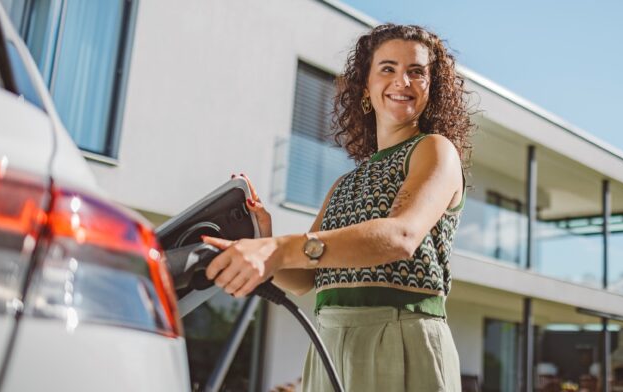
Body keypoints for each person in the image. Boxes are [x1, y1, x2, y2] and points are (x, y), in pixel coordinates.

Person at [202, 23, 474, 391]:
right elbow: (303, 280)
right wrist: (261, 237)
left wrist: (278, 248)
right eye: (388, 69)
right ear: (366, 86)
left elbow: (402, 235)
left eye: (416, 72)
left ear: (432, 87)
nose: (402, 81)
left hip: (400, 337)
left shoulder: (434, 149)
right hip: (328, 343)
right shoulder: (343, 185)